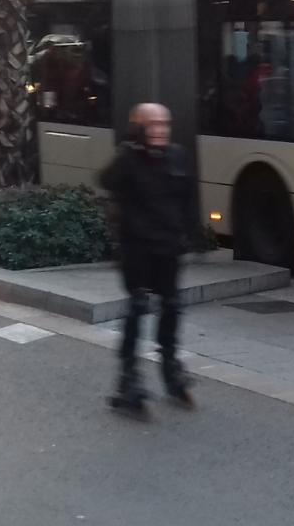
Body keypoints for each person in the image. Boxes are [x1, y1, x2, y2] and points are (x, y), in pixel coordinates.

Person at [99, 103, 197, 413]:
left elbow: (189, 199)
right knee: (138, 306)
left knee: (172, 306)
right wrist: (131, 147)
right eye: (151, 125)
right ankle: (128, 376)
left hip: (168, 248)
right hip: (136, 249)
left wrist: (190, 237)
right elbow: (105, 180)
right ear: (138, 128)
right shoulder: (127, 160)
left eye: (164, 124)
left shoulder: (178, 156)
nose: (159, 130)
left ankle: (170, 365)